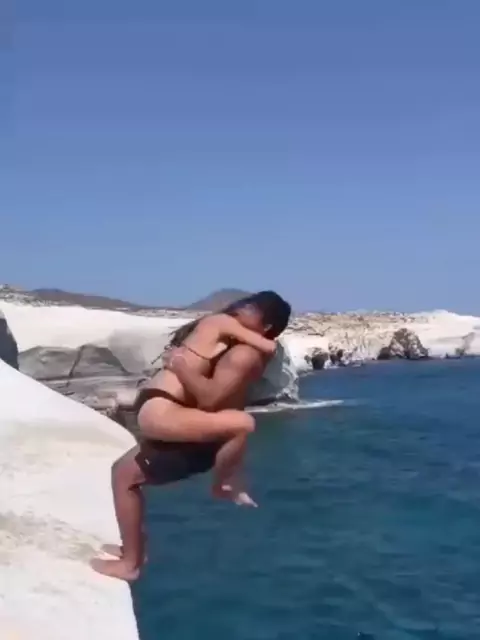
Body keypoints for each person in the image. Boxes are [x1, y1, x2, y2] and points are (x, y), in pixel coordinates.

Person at [91, 291, 291, 582]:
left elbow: (210, 399)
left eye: (251, 307)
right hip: (176, 419)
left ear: (267, 326)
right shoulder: (230, 341)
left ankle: (131, 563)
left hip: (188, 433)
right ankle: (134, 550)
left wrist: (181, 367)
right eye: (244, 302)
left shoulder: (243, 353)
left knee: (126, 478)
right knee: (122, 473)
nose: (241, 308)